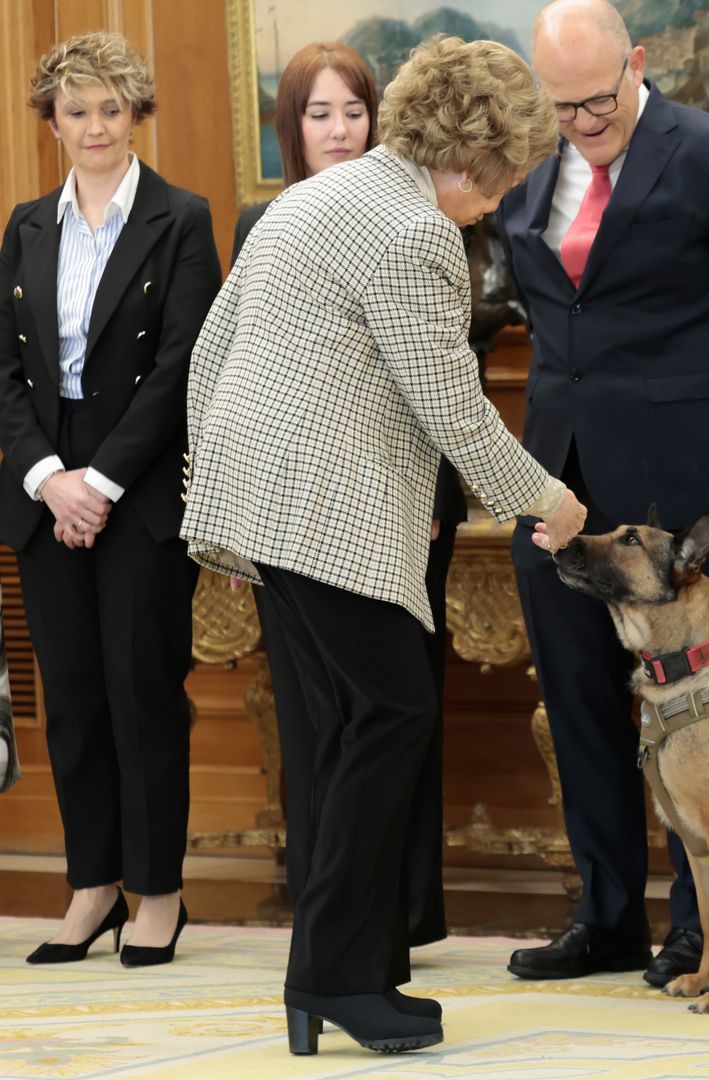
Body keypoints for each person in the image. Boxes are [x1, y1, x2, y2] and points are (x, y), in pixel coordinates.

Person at [181, 35, 586, 1055]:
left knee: (356, 726)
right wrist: (546, 499)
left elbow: (216, 347)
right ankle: (330, 974)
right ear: (472, 154)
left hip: (268, 498)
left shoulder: (315, 200)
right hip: (321, 508)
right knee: (394, 716)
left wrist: (221, 478)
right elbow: (448, 403)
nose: (498, 204)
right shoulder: (409, 229)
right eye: (502, 182)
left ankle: (344, 972)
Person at [498, 0, 709, 986]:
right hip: (560, 481)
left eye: (599, 100)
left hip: (680, 489)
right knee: (581, 700)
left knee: (700, 720)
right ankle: (606, 915)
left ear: (635, 62)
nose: (584, 123)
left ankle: (698, 927)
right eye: (564, 109)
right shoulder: (531, 172)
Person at [230, 41, 457, 946]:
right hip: (294, 512)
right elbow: (247, 371)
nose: (338, 129)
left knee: (403, 715)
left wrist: (438, 489)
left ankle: (400, 920)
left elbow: (443, 378)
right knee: (319, 720)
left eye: (353, 111)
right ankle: (330, 932)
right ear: (292, 126)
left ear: (380, 117)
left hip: (411, 502)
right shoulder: (266, 223)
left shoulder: (425, 211)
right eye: (318, 114)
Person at [0, 31, 220, 965]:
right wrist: (50, 479)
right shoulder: (24, 225)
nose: (95, 125)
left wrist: (102, 480)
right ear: (52, 121)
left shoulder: (181, 216)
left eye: (111, 107)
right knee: (75, 700)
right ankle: (92, 887)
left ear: (136, 114)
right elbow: (5, 372)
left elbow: (183, 367)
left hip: (138, 485)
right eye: (76, 109)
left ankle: (157, 892)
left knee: (142, 693)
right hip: (48, 486)